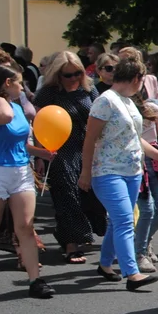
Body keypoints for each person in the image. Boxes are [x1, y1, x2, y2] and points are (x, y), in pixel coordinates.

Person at [80, 57, 158, 291]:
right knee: (124, 220)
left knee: (118, 222)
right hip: (108, 171)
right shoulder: (105, 101)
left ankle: (104, 264)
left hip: (132, 171)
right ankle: (132, 273)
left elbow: (135, 138)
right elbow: (89, 138)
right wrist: (85, 173)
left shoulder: (128, 101)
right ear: (136, 78)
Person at [33, 51, 102, 263]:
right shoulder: (49, 93)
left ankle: (76, 234)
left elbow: (101, 116)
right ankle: (72, 244)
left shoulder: (89, 89)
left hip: (87, 149)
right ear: (58, 75)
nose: (73, 78)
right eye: (68, 75)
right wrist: (39, 156)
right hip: (60, 152)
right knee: (67, 197)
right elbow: (39, 124)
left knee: (90, 196)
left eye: (77, 73)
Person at [0, 64, 55, 298]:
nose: (24, 87)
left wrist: (42, 153)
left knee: (26, 227)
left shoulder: (18, 107)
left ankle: (35, 281)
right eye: (19, 82)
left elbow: (20, 142)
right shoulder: (4, 108)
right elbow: (5, 117)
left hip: (21, 170)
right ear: (7, 84)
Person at [133, 100, 158, 272]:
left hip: (154, 160)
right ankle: (139, 253)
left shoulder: (151, 108)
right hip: (136, 160)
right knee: (146, 210)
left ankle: (143, 240)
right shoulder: (121, 106)